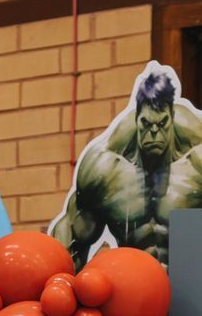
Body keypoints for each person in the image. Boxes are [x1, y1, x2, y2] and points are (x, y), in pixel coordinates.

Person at [50, 63, 202, 268]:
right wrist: (60, 283)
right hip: (134, 283)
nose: (154, 132)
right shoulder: (105, 169)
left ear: (172, 117)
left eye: (162, 124)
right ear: (137, 118)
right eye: (147, 124)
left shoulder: (197, 162)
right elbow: (71, 236)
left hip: (194, 283)